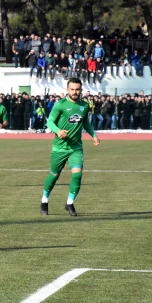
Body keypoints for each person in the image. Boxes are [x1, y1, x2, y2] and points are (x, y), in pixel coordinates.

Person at [40, 78, 100, 216]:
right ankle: (44, 200)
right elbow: (49, 122)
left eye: (77, 89)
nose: (75, 92)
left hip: (76, 147)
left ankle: (70, 203)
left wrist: (94, 135)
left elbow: (85, 123)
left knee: (77, 175)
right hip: (59, 148)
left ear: (81, 90)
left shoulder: (84, 106)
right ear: (67, 90)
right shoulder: (60, 105)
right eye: (72, 89)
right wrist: (58, 131)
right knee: (54, 175)